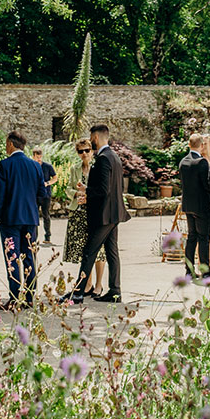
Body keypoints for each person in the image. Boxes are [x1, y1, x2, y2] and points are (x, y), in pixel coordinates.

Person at [71, 124, 130, 304]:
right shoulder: (115, 157)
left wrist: (87, 191)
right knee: (112, 252)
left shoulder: (103, 158)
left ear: (95, 137)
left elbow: (103, 190)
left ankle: (78, 292)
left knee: (89, 252)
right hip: (114, 213)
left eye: (91, 137)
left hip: (103, 215)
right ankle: (115, 291)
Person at [0, 131, 48, 308]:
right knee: (29, 257)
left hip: (10, 218)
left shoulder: (4, 165)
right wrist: (32, 207)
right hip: (30, 218)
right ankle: (30, 298)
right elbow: (42, 193)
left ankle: (15, 298)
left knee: (12, 257)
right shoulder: (35, 166)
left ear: (10, 144)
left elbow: (0, 195)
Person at [64, 139, 105, 295]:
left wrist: (88, 195)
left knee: (99, 251)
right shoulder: (75, 169)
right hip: (78, 213)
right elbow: (67, 188)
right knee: (83, 250)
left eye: (87, 150)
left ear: (92, 150)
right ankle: (87, 284)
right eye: (80, 151)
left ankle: (99, 284)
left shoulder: (97, 167)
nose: (84, 154)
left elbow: (101, 189)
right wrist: (76, 193)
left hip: (95, 213)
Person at [178, 133, 210, 279]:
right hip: (202, 205)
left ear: (189, 145)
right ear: (201, 146)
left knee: (191, 237)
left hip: (188, 205)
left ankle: (189, 270)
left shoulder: (183, 161)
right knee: (203, 238)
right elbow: (207, 185)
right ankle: (205, 271)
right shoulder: (202, 162)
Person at [31, 148, 58, 245]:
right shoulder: (31, 166)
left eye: (40, 157)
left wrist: (47, 183)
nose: (39, 159)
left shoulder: (47, 166)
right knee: (35, 217)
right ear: (33, 156)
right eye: (37, 157)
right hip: (34, 195)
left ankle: (47, 237)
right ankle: (34, 238)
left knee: (46, 215)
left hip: (46, 195)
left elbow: (55, 178)